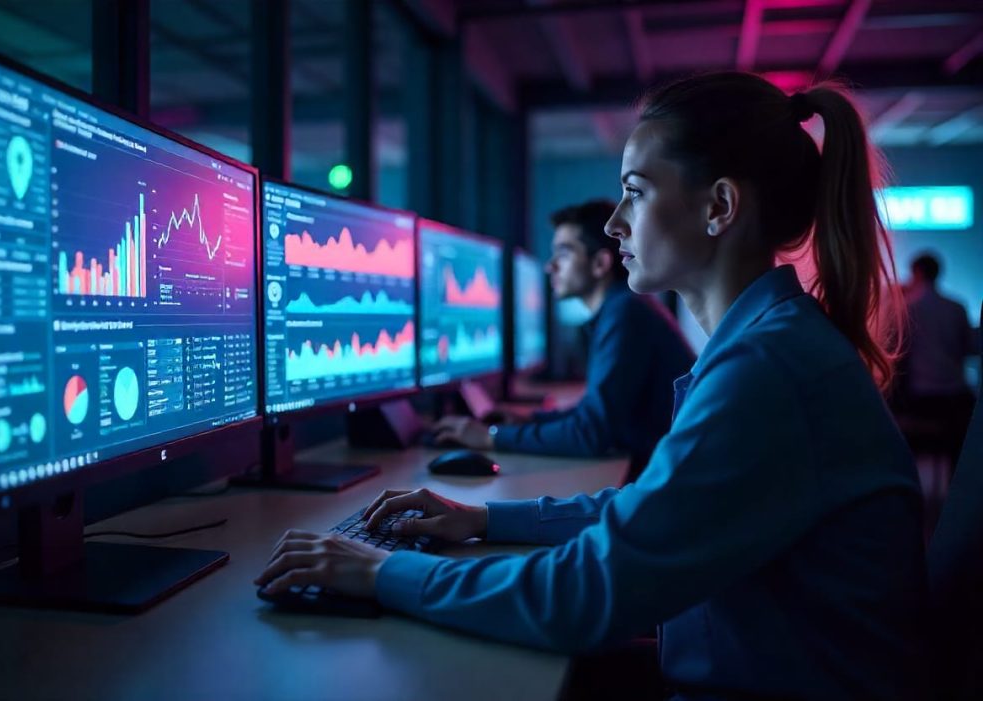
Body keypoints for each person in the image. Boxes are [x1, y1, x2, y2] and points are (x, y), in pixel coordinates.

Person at [256, 72, 928, 700]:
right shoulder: (770, 344)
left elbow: (585, 594)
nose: (614, 224)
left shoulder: (768, 369)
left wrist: (379, 571)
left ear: (720, 206)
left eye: (636, 191)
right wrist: (485, 518)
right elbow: (651, 509)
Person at [430, 200, 695, 473]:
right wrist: (528, 420)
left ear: (600, 263)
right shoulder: (622, 307)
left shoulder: (625, 313)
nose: (550, 267)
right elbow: (593, 413)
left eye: (563, 253)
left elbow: (591, 432)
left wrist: (491, 437)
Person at [893, 252, 978, 472]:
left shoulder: (908, 308)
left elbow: (898, 353)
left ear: (917, 273)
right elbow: (970, 347)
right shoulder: (957, 307)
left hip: (921, 397)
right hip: (955, 396)